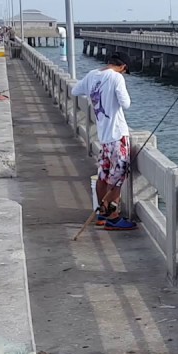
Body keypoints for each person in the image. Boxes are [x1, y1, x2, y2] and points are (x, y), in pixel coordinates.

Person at [71, 54, 136, 230]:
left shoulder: (92, 75)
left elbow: (75, 90)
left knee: (103, 175)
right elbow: (126, 103)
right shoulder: (116, 77)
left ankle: (102, 213)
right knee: (117, 177)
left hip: (104, 137)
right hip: (118, 135)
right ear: (122, 66)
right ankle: (113, 218)